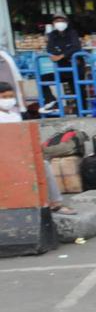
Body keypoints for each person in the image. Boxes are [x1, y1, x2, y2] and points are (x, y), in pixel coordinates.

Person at [0, 82, 74, 214]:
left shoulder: (15, 116)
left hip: (18, 156)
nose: (8, 100)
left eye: (10, 96)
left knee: (43, 164)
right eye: (4, 97)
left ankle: (55, 203)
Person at [45, 13, 82, 105]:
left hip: (75, 69)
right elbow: (50, 49)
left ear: (67, 22)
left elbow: (76, 47)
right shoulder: (52, 35)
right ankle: (51, 101)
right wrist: (63, 53)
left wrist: (61, 55)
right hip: (61, 69)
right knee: (43, 79)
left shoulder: (72, 33)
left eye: (62, 21)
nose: (59, 23)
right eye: (57, 21)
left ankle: (81, 112)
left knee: (78, 92)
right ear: (53, 23)